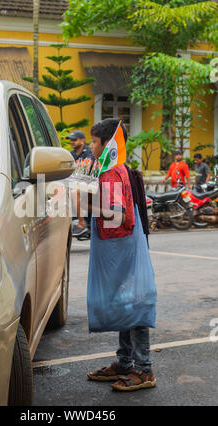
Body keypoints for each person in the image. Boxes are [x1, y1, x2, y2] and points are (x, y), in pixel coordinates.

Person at [85, 118, 157, 392]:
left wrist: (84, 200)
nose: (91, 146)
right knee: (126, 303)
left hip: (122, 247)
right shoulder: (111, 169)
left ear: (107, 144)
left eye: (94, 141)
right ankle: (125, 362)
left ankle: (144, 369)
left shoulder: (113, 174)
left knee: (135, 304)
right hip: (119, 245)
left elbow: (119, 214)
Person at [66, 130, 95, 237]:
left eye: (75, 139)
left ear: (82, 140)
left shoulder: (89, 153)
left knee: (74, 192)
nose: (72, 142)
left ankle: (82, 224)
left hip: (89, 183)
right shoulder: (70, 155)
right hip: (74, 183)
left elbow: (89, 172)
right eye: (71, 140)